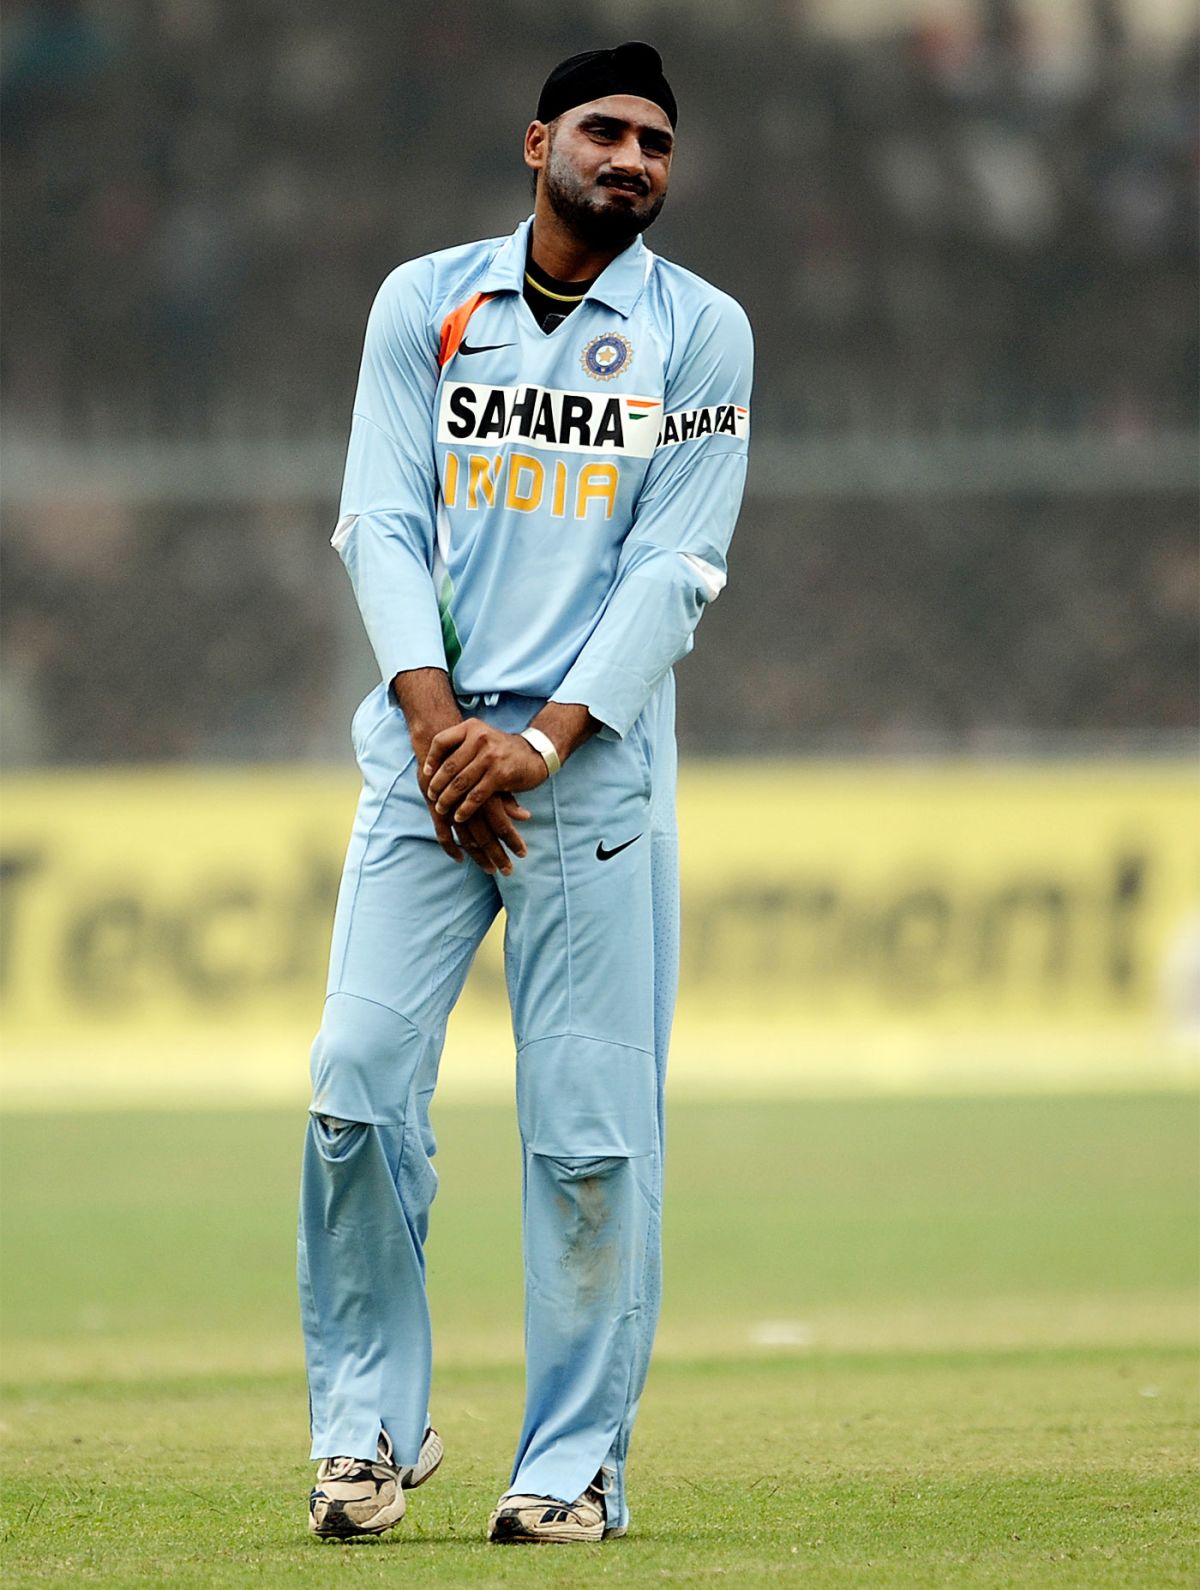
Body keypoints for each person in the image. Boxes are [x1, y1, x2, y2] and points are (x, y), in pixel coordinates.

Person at [299, 40, 752, 1546]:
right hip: (429, 764)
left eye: (658, 145)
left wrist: (540, 741)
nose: (634, 160)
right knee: (355, 1083)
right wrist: (442, 732)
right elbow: (377, 517)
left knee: (587, 1136)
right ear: (537, 141)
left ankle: (573, 1467)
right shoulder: (425, 304)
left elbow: (674, 569)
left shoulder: (702, 333)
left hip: (588, 773)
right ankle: (368, 1429)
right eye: (608, 133)